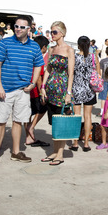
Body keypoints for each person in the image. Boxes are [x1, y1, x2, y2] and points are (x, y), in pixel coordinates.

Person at [0, 16, 44, 164]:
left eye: (21, 27)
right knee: (0, 121)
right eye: (16, 26)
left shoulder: (34, 47)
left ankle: (16, 152)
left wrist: (33, 82)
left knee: (18, 121)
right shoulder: (5, 43)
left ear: (29, 29)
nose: (18, 29)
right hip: (5, 90)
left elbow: (39, 64)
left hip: (23, 91)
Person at [40, 21, 74, 166]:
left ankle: (60, 154)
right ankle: (54, 151)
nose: (52, 34)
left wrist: (68, 92)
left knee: (61, 123)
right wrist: (43, 86)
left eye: (54, 32)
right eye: (51, 31)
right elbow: (48, 69)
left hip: (62, 91)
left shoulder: (69, 50)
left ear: (62, 33)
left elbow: (71, 73)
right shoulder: (51, 49)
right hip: (51, 90)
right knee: (54, 122)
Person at [71, 36, 99, 152]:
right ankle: (86, 143)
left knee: (76, 116)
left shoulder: (74, 57)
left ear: (78, 45)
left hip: (76, 89)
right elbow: (98, 73)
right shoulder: (93, 57)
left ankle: (75, 143)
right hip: (90, 90)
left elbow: (70, 73)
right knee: (88, 117)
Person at [25, 36, 51, 148]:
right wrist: (42, 91)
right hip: (35, 90)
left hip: (26, 88)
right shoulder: (39, 57)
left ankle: (29, 137)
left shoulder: (29, 55)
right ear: (44, 47)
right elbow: (39, 77)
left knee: (27, 114)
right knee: (43, 108)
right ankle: (31, 127)